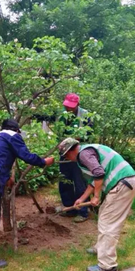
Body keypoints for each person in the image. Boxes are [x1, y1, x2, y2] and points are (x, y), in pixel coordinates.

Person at [0, 119, 55, 268]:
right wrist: (44, 162)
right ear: (17, 130)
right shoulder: (13, 136)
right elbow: (26, 156)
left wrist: (6, 177)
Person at [58, 138, 135, 271]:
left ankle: (108, 265)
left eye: (66, 155)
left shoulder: (83, 154)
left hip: (122, 184)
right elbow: (93, 182)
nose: (67, 158)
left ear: (72, 150)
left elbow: (99, 173)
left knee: (108, 223)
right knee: (104, 215)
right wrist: (82, 199)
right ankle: (101, 248)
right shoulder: (87, 152)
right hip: (126, 182)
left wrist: (96, 197)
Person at [59, 93, 93, 223]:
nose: (68, 109)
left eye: (71, 107)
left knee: (79, 182)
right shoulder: (62, 114)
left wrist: (72, 139)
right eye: (67, 106)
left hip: (78, 153)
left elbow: (88, 134)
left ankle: (82, 211)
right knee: (64, 181)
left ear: (77, 104)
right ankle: (69, 208)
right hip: (64, 152)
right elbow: (58, 131)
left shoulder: (86, 115)